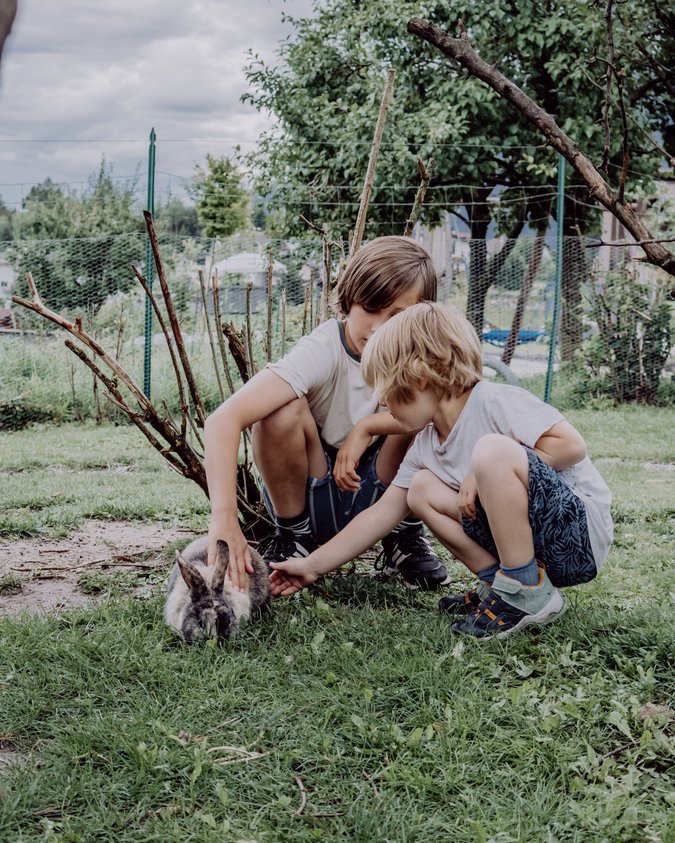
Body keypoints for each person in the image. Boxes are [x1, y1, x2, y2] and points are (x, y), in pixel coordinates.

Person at [270, 302, 613, 639]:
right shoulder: (426, 444)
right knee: (420, 489)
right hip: (537, 543)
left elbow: (570, 445)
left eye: (387, 389)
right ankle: (499, 586)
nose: (383, 403)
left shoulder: (494, 400)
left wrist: (482, 473)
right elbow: (378, 516)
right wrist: (310, 566)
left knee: (491, 451)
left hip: (577, 536)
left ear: (421, 373)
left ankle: (525, 589)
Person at [204, 237, 451, 592]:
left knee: (428, 419)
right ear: (349, 300)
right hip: (315, 491)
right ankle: (294, 536)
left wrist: (367, 426)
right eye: (371, 308)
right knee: (280, 410)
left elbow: (454, 417)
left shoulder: (423, 355)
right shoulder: (325, 348)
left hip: (386, 492)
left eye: (397, 316)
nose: (378, 328)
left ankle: (405, 536)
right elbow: (222, 421)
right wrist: (224, 518)